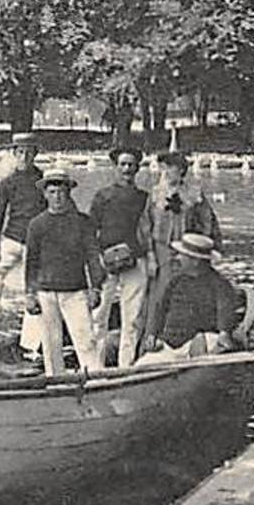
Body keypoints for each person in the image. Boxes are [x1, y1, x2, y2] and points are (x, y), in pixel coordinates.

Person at [25, 166, 105, 376]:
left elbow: (93, 257)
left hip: (75, 291)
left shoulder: (82, 222)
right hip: (46, 292)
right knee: (51, 346)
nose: (57, 196)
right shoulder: (36, 225)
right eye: (52, 192)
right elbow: (31, 262)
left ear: (69, 192)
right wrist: (29, 294)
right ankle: (56, 384)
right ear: (45, 194)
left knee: (86, 340)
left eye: (61, 191)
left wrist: (96, 288)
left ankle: (96, 381)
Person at [142, 150, 221, 350]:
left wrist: (206, 249)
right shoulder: (154, 194)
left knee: (188, 290)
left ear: (182, 170)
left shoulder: (194, 194)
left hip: (188, 251)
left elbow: (208, 222)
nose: (167, 172)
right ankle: (151, 339)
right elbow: (145, 227)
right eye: (165, 167)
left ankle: (187, 340)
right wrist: (150, 256)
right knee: (159, 295)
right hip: (162, 252)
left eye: (172, 167)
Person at [0, 132, 47, 348]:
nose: (25, 156)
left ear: (35, 154)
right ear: (14, 154)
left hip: (35, 243)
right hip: (11, 239)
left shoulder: (44, 181)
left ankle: (30, 344)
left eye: (29, 152)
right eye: (20, 152)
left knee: (33, 289)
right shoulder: (7, 182)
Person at [89, 146, 152, 367]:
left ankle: (125, 367)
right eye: (123, 164)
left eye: (131, 165)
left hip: (135, 261)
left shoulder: (144, 198)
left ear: (137, 168)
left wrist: (147, 256)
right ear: (115, 167)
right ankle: (94, 368)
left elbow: (149, 230)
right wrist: (96, 258)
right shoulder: (102, 196)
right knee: (98, 316)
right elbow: (90, 230)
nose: (127, 169)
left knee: (132, 319)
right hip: (107, 261)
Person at [140, 233, 240, 361]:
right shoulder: (175, 281)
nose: (178, 258)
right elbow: (160, 308)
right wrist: (153, 334)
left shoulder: (219, 284)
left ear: (195, 260)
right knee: (143, 363)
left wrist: (224, 332)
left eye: (182, 255)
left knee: (204, 342)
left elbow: (225, 311)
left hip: (200, 344)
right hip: (170, 345)